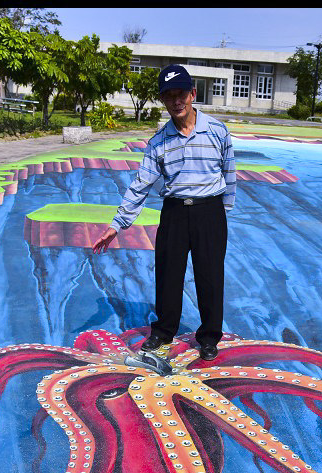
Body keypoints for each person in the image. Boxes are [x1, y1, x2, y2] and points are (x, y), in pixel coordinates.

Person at [93, 65, 235, 362]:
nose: (176, 101)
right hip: (174, 213)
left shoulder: (218, 131)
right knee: (168, 274)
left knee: (210, 277)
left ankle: (209, 336)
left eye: (181, 93)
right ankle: (164, 330)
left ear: (192, 94)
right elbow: (141, 184)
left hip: (210, 212)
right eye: (169, 96)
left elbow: (229, 172)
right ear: (163, 100)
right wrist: (117, 224)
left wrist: (222, 211)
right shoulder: (158, 142)